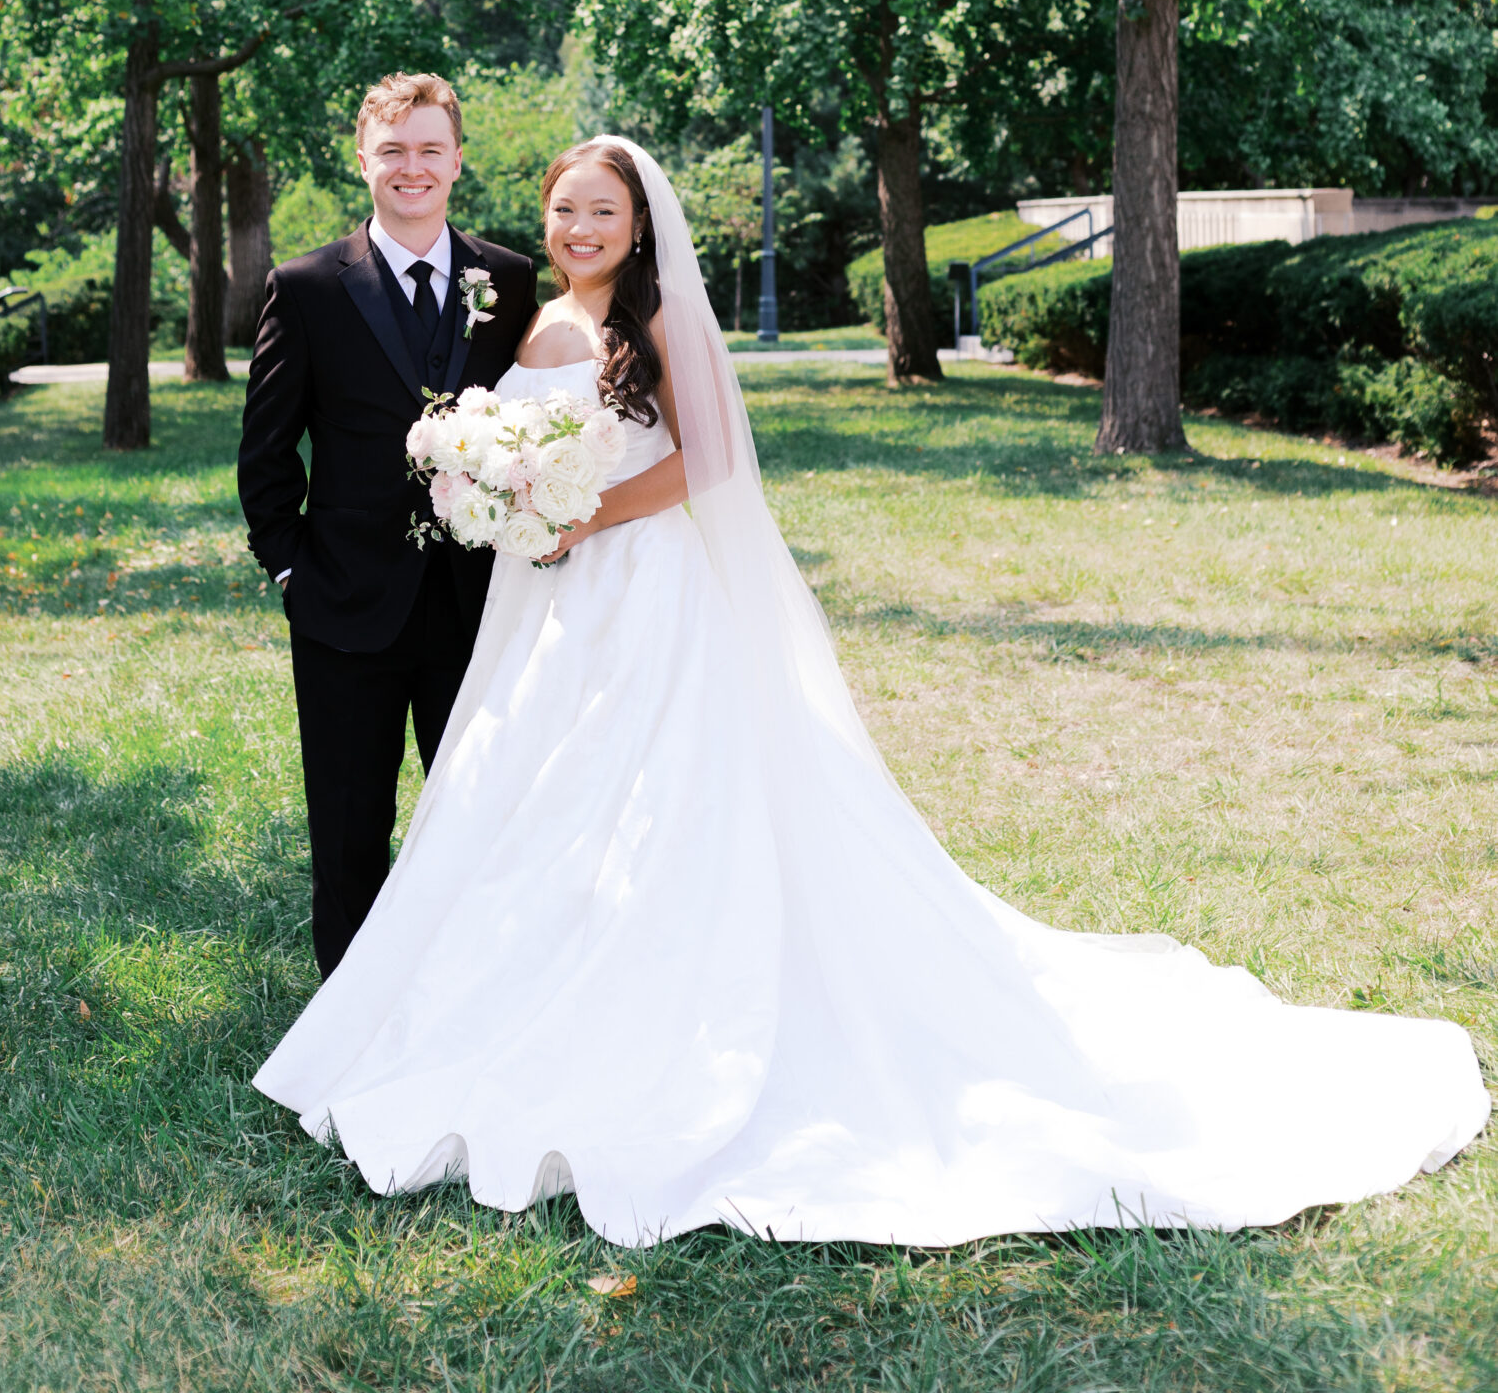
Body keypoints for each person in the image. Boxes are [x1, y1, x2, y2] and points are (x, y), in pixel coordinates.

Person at [254, 135, 1488, 1248]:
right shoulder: (518, 315)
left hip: (639, 597)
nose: (580, 229)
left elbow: (709, 459)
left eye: (601, 211)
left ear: (639, 225)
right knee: (530, 814)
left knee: (658, 800)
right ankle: (499, 1015)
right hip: (542, 613)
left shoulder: (658, 319)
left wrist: (573, 512)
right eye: (566, 208)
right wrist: (497, 492)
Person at [236, 72, 536, 979]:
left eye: (430, 149)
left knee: (480, 820)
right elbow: (266, 452)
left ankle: (464, 1005)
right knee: (349, 828)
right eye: (393, 150)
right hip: (342, 606)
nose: (413, 167)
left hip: (480, 606)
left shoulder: (509, 280)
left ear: (457, 160)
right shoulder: (306, 287)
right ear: (363, 158)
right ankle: (348, 1029)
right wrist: (291, 570)